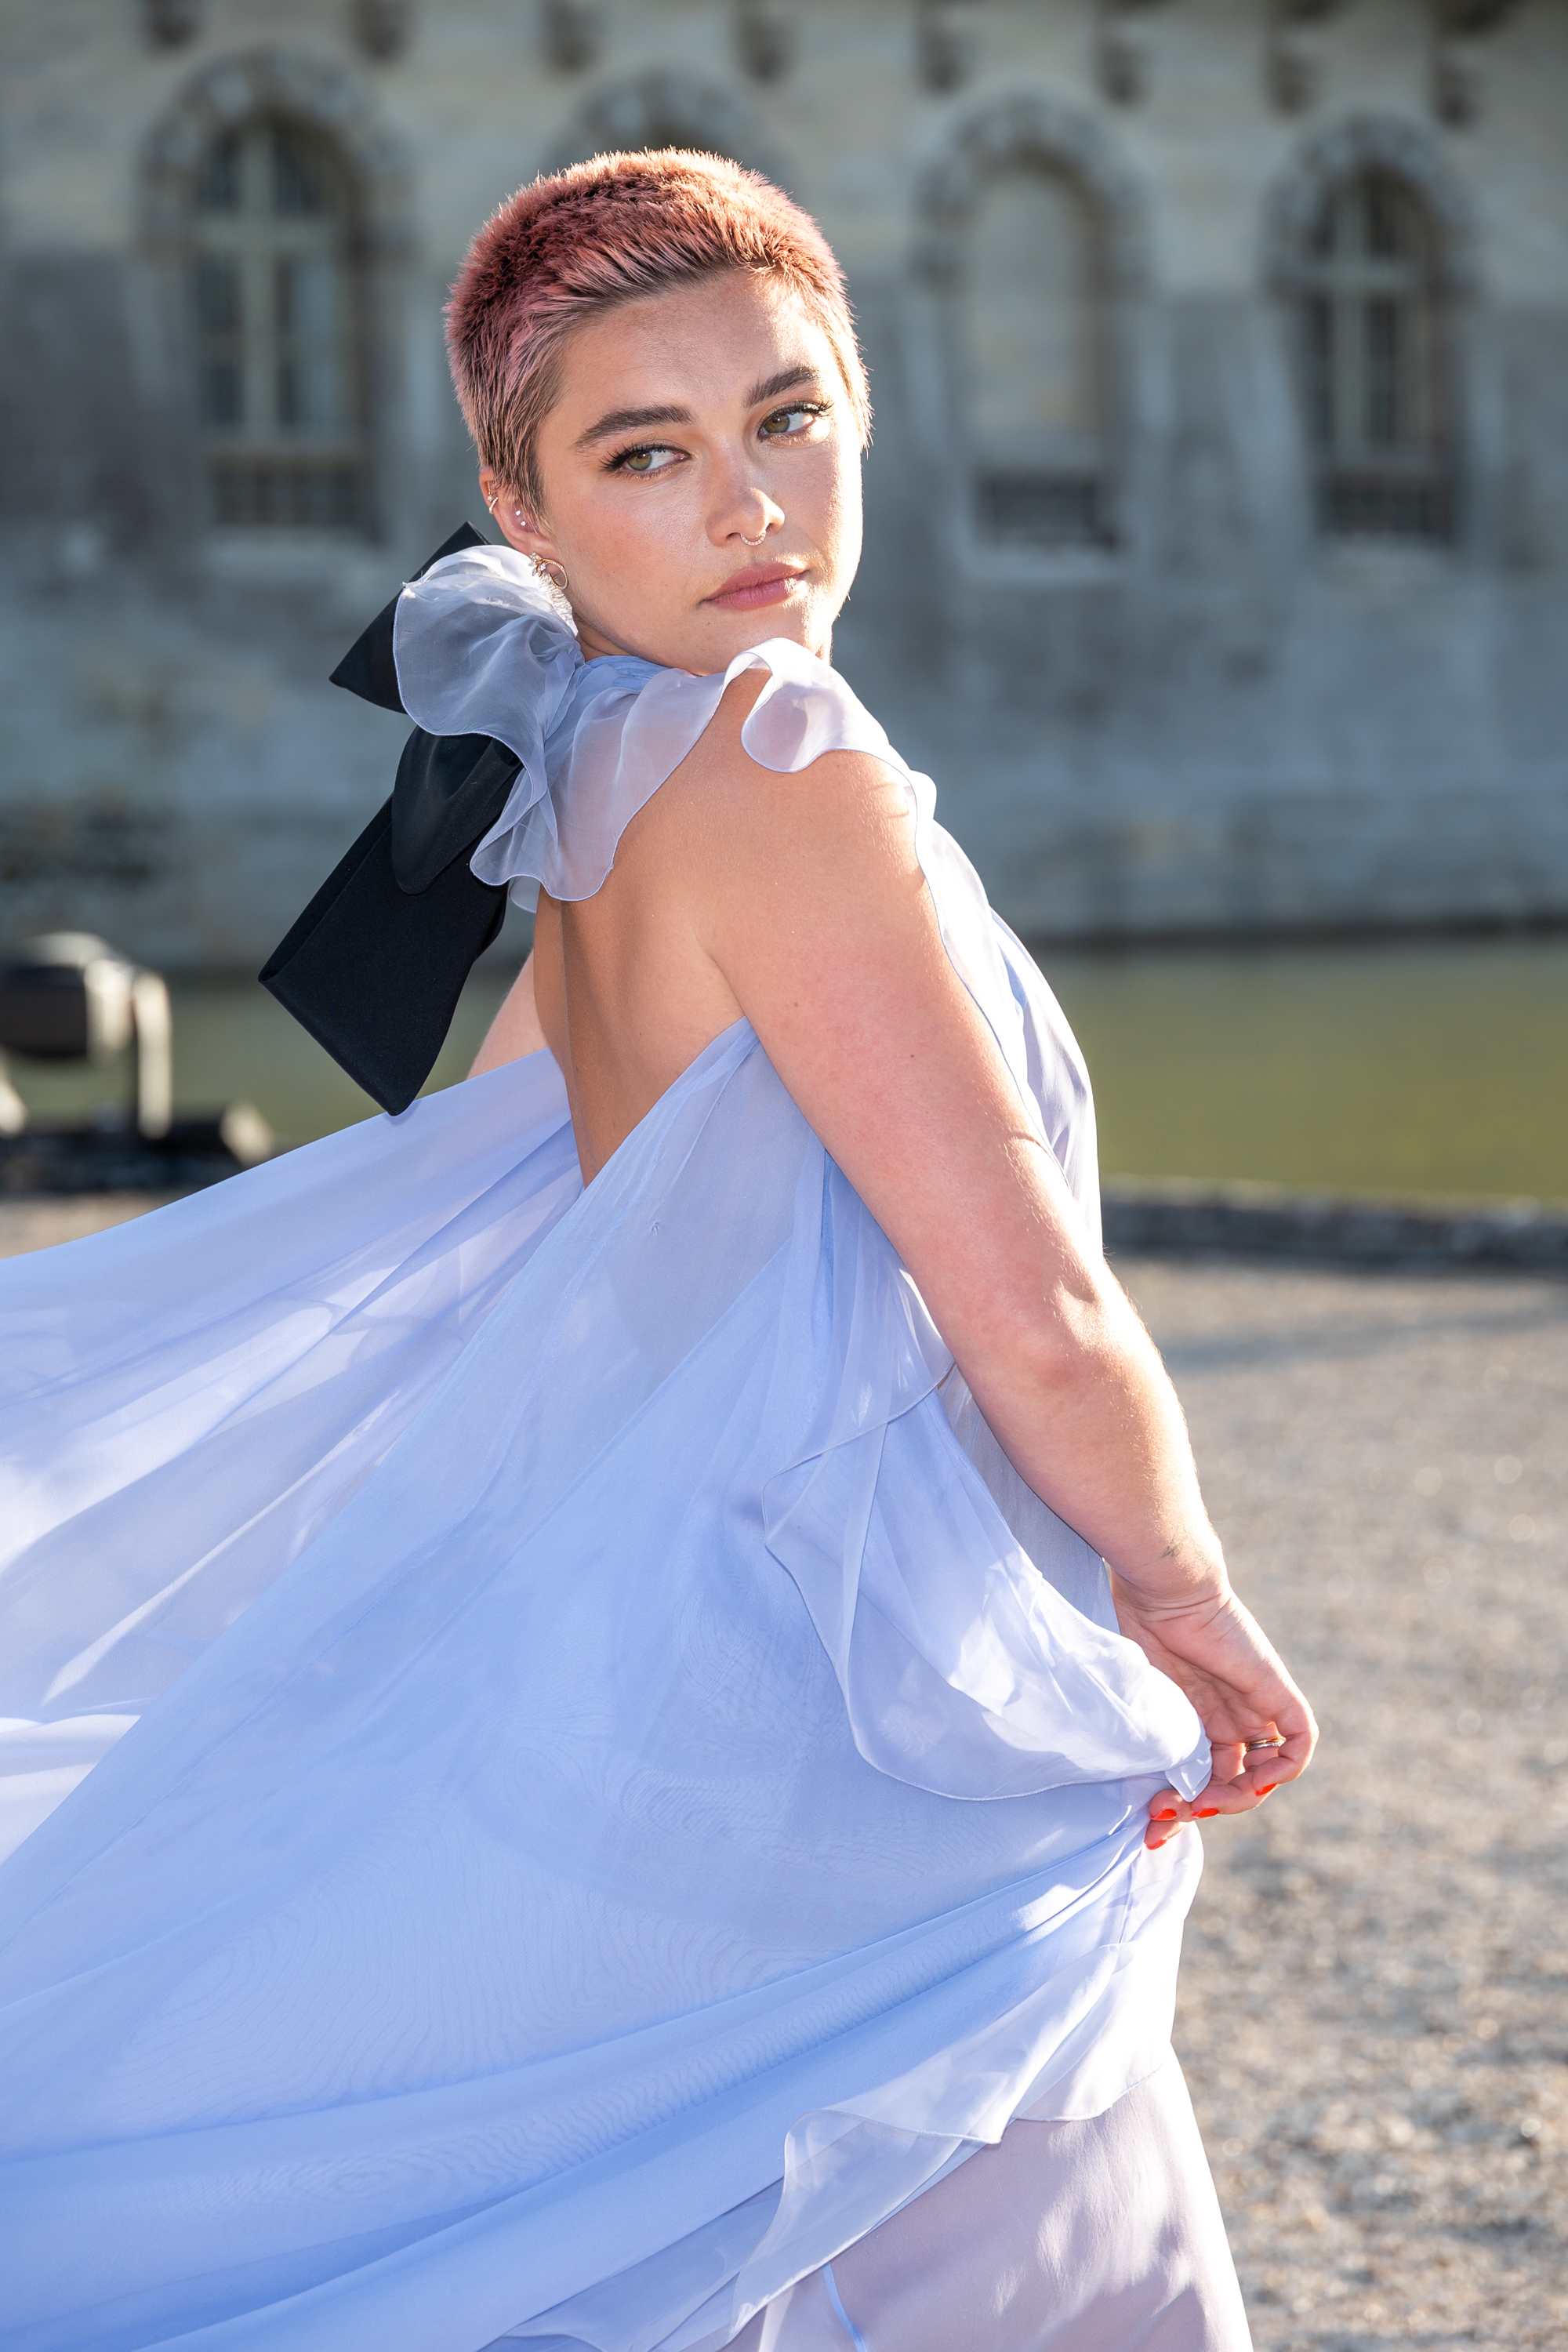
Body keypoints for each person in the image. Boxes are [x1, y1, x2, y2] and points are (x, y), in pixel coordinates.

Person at [0, 153, 1315, 2350]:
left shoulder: (583, 767)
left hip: (664, 1619)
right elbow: (1035, 1297)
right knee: (1033, 2247)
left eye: (792, 420)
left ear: (865, 420)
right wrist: (1179, 1594)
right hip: (864, 1661)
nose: (755, 508)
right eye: (650, 452)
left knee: (710, 2221)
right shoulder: (792, 757)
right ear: (523, 516)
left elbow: (558, 1197)